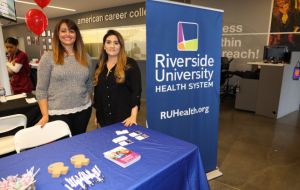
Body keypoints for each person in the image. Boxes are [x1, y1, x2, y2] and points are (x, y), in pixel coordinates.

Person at [35, 19, 93, 136]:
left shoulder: (85, 57)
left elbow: (89, 84)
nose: (68, 34)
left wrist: (89, 101)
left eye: (71, 31)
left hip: (83, 111)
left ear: (76, 34)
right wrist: (45, 115)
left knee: (79, 143)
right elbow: (41, 90)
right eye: (63, 31)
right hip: (57, 113)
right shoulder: (48, 57)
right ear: (57, 34)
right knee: (62, 148)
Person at [93, 30, 142, 127]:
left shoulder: (130, 64)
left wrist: (133, 116)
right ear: (104, 46)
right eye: (108, 42)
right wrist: (97, 115)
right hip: (103, 117)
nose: (112, 46)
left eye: (116, 43)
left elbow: (136, 92)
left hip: (123, 119)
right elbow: (98, 93)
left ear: (121, 46)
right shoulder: (100, 65)